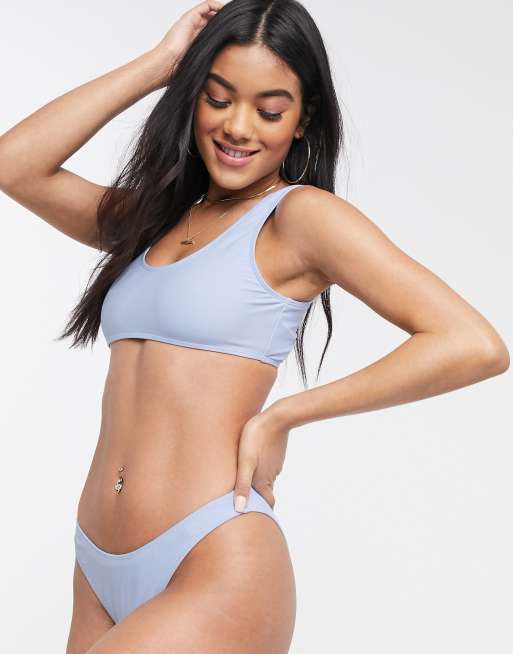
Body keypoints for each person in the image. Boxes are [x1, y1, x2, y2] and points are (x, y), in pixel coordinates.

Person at [0, 0, 509, 651]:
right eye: (217, 98)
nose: (238, 127)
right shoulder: (154, 220)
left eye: (269, 111)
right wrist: (160, 63)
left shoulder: (299, 219)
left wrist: (284, 415)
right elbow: (16, 164)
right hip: (97, 564)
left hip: (212, 560)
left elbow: (472, 344)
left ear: (303, 120)